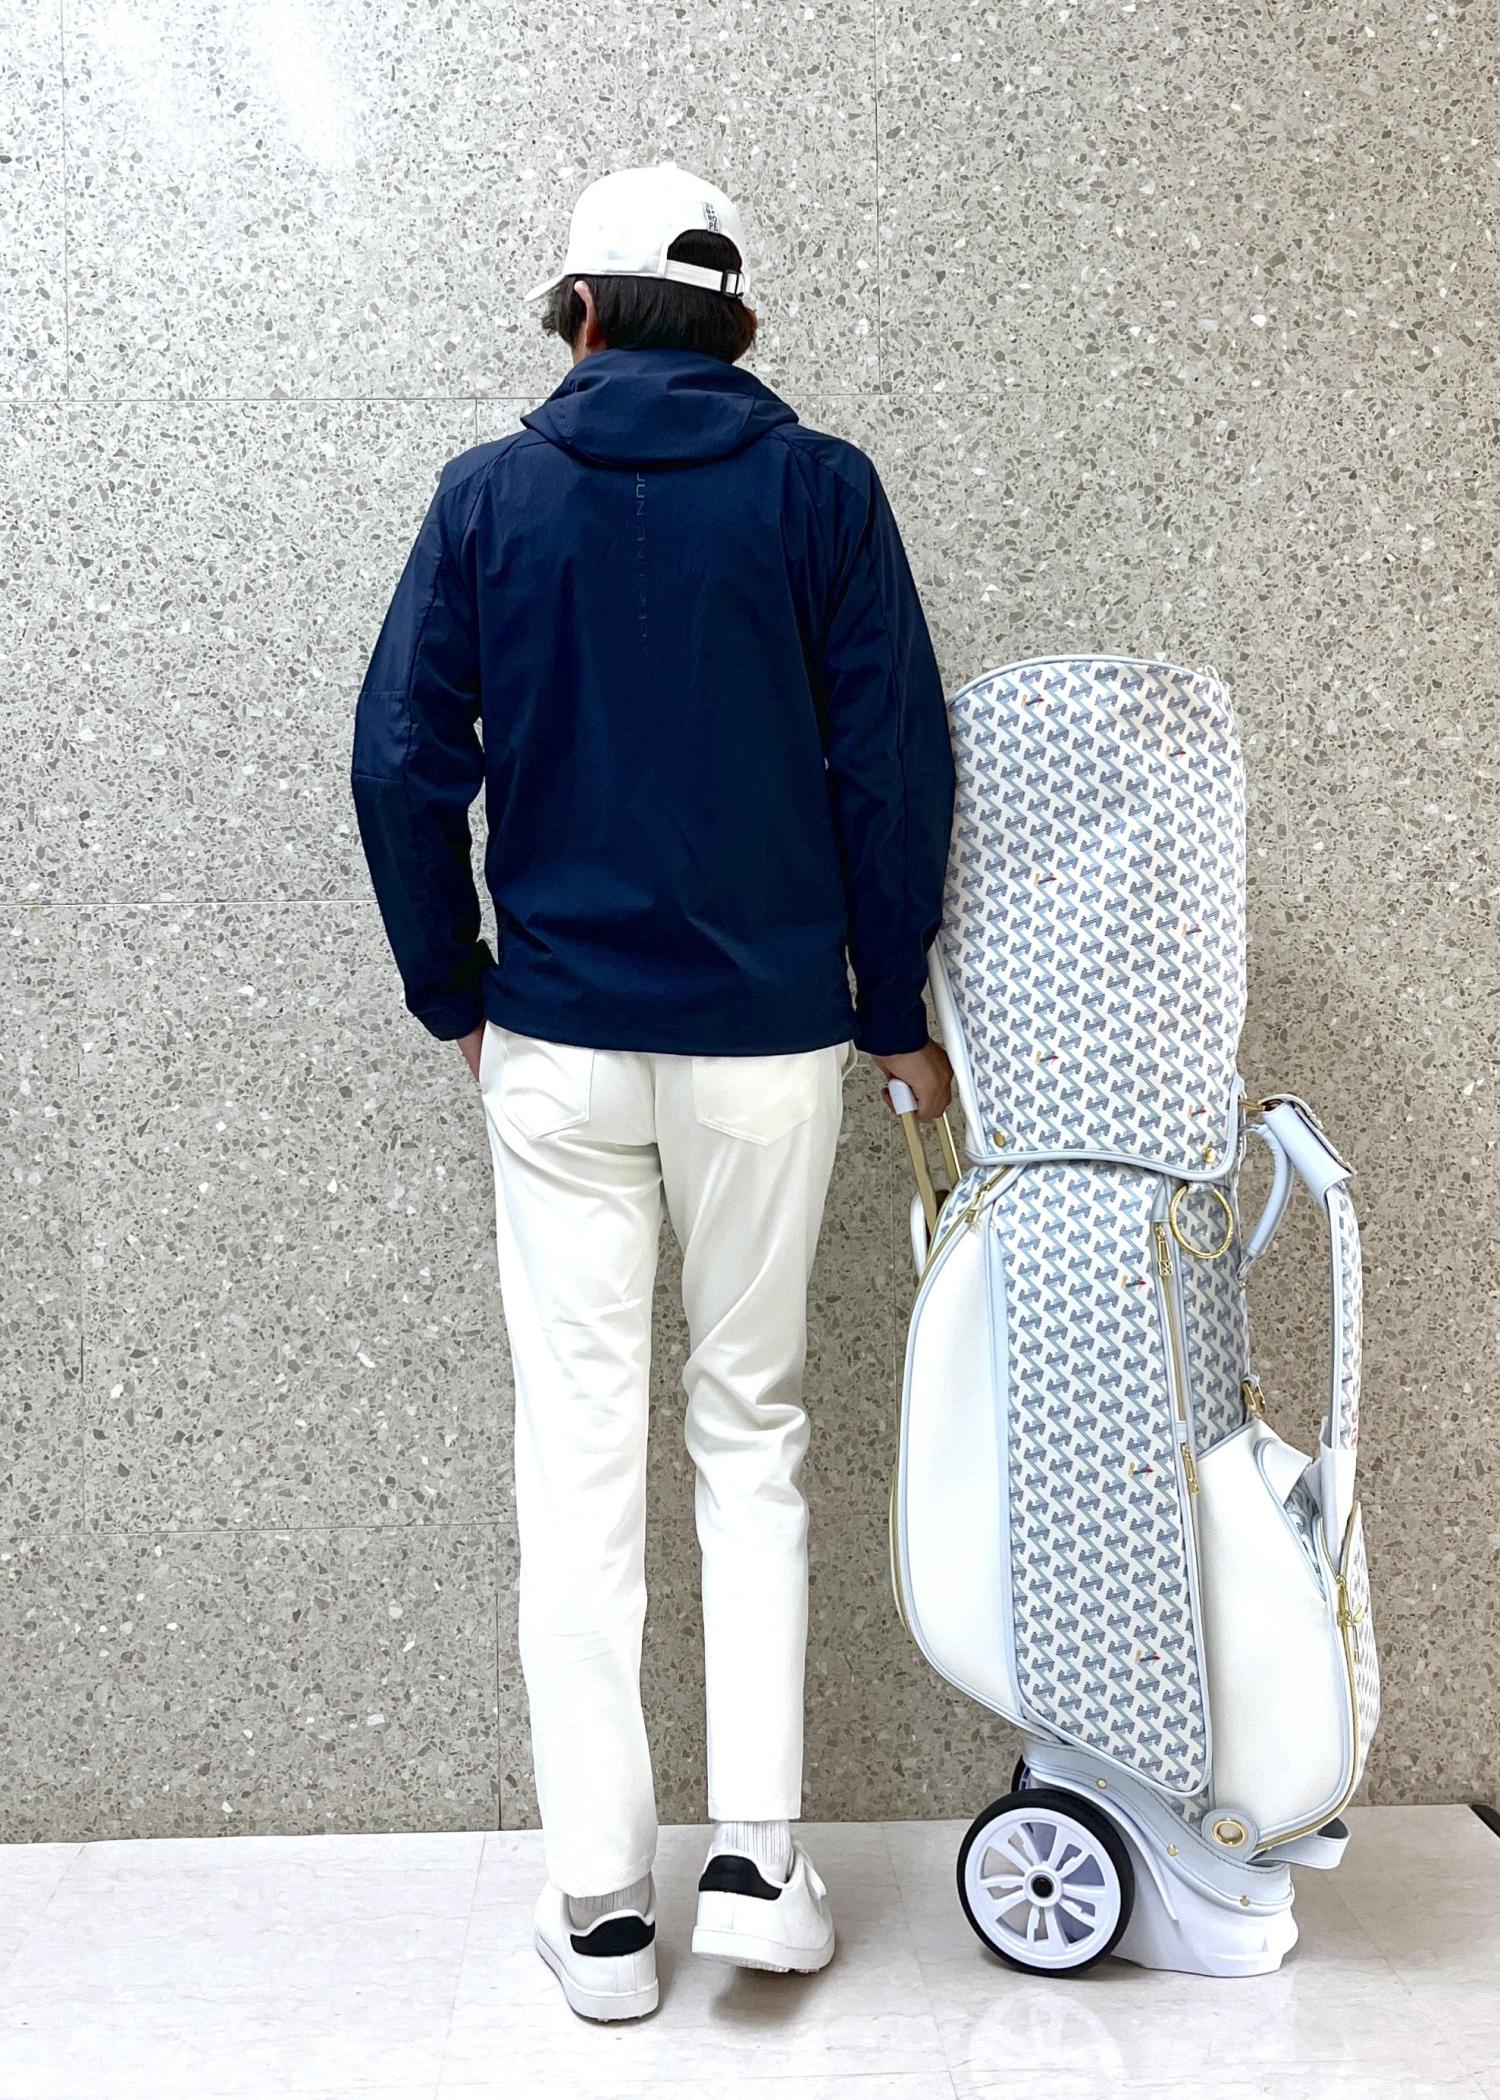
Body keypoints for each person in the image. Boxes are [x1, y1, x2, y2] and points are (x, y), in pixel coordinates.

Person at [351, 161, 954, 2022]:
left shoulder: (488, 495)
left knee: (579, 1460)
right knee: (752, 1427)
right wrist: (890, 1007)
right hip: (768, 1041)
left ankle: (605, 1913)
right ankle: (760, 1868)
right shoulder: (822, 491)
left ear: (584, 312)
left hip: (554, 1041)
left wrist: (453, 989)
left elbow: (396, 759)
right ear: (736, 323)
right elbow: (894, 762)